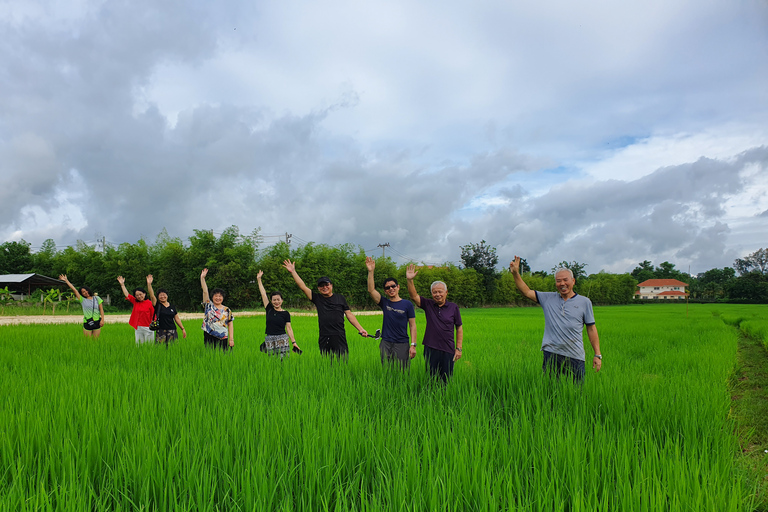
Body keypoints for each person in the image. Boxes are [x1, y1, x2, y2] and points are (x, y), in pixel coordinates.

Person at [509, 256, 602, 383]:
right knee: (551, 392)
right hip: (551, 354)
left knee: (577, 393)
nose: (562, 284)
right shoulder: (547, 298)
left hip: (575, 356)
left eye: (565, 280)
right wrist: (515, 274)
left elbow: (591, 328)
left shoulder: (584, 302)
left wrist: (597, 354)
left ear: (573, 281)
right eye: (558, 281)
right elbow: (526, 291)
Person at [282, 259, 368, 359]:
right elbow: (303, 287)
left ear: (331, 285)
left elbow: (349, 315)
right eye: (321, 286)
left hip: (339, 335)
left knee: (343, 363)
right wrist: (293, 272)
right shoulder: (317, 298)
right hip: (324, 336)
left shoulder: (340, 298)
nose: (324, 287)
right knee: (327, 364)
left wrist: (361, 329)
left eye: (326, 285)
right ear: (318, 288)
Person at [405, 264, 463, 384]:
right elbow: (413, 296)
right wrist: (410, 280)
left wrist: (458, 348)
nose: (437, 294)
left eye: (440, 292)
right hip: (431, 348)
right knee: (431, 378)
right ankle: (431, 399)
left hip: (448, 348)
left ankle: (444, 400)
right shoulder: (428, 304)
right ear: (431, 293)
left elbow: (459, 327)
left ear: (446, 292)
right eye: (434, 292)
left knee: (446, 379)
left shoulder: (453, 307)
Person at [365, 256, 417, 369]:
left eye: (393, 286)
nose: (391, 289)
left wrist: (413, 345)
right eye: (387, 288)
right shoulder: (384, 302)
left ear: (398, 287)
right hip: (386, 342)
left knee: (402, 372)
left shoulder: (407, 304)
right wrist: (371, 271)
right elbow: (371, 290)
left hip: (402, 343)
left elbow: (412, 325)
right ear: (385, 291)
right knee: (387, 371)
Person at [257, 270, 301, 360]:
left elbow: (289, 328)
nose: (276, 302)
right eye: (274, 300)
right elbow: (263, 294)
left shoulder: (285, 313)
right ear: (271, 301)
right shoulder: (269, 309)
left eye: (278, 299)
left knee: (283, 361)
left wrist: (294, 342)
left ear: (282, 300)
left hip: (282, 339)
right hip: (270, 339)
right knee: (272, 361)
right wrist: (259, 279)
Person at [146, 274, 186, 346]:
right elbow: (152, 295)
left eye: (164, 295)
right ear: (158, 297)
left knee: (172, 349)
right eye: (160, 295)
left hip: (172, 330)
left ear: (167, 296)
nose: (162, 296)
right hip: (161, 330)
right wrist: (149, 284)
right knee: (161, 349)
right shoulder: (157, 305)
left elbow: (176, 318)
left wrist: (182, 328)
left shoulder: (172, 306)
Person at [200, 268, 234, 351]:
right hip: (209, 335)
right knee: (210, 355)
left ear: (223, 298)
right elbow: (205, 292)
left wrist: (231, 339)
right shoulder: (208, 305)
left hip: (223, 336)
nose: (218, 298)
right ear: (212, 297)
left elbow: (230, 324)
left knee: (223, 357)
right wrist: (202, 278)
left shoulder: (227, 310)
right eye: (216, 296)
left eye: (220, 296)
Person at [117, 275, 155, 344]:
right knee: (139, 345)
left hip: (148, 327)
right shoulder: (135, 302)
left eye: (140, 294)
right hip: (138, 327)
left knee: (149, 346)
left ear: (144, 294)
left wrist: (149, 284)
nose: (139, 296)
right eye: (137, 295)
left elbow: (154, 314)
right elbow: (127, 295)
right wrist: (122, 285)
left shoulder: (150, 303)